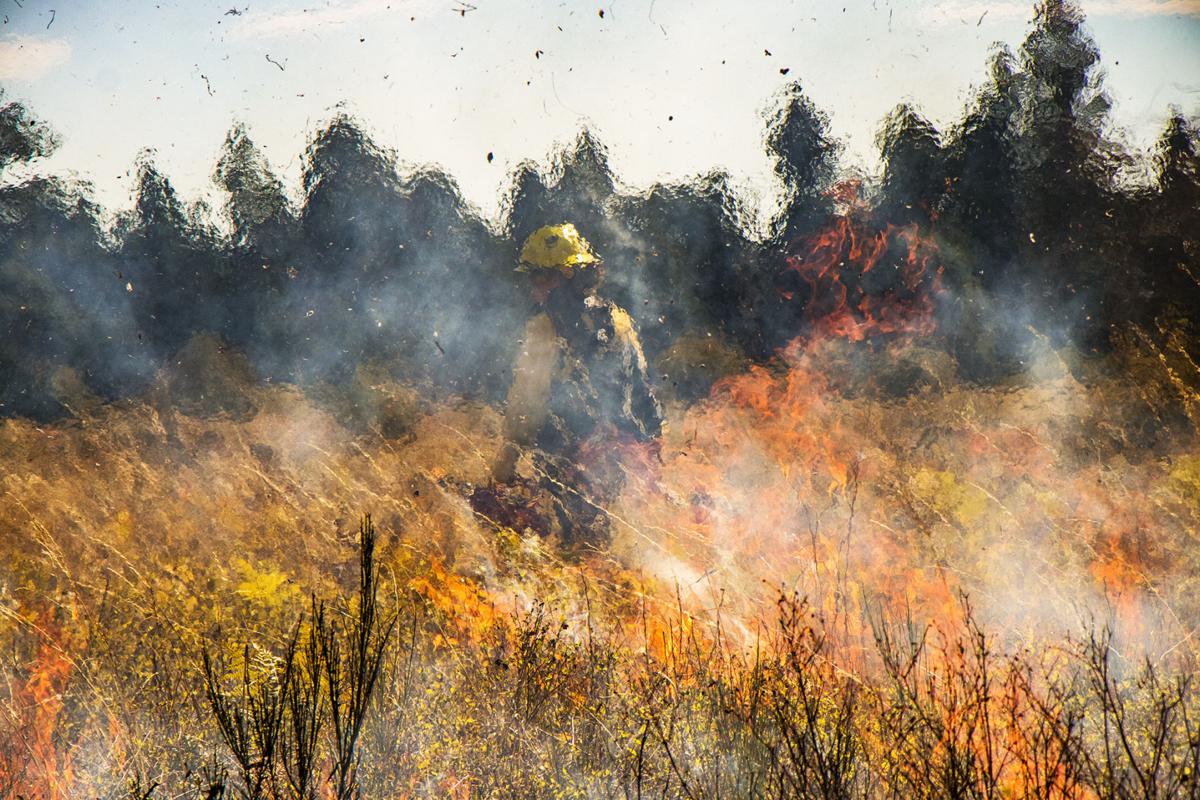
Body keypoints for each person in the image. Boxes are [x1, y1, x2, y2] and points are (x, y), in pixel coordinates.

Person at [483, 223, 662, 546]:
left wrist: (502, 471)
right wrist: (652, 449)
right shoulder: (618, 320)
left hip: (568, 467)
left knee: (569, 547)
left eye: (539, 277)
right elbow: (643, 392)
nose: (533, 288)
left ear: (566, 276)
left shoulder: (543, 328)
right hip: (620, 461)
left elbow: (526, 406)